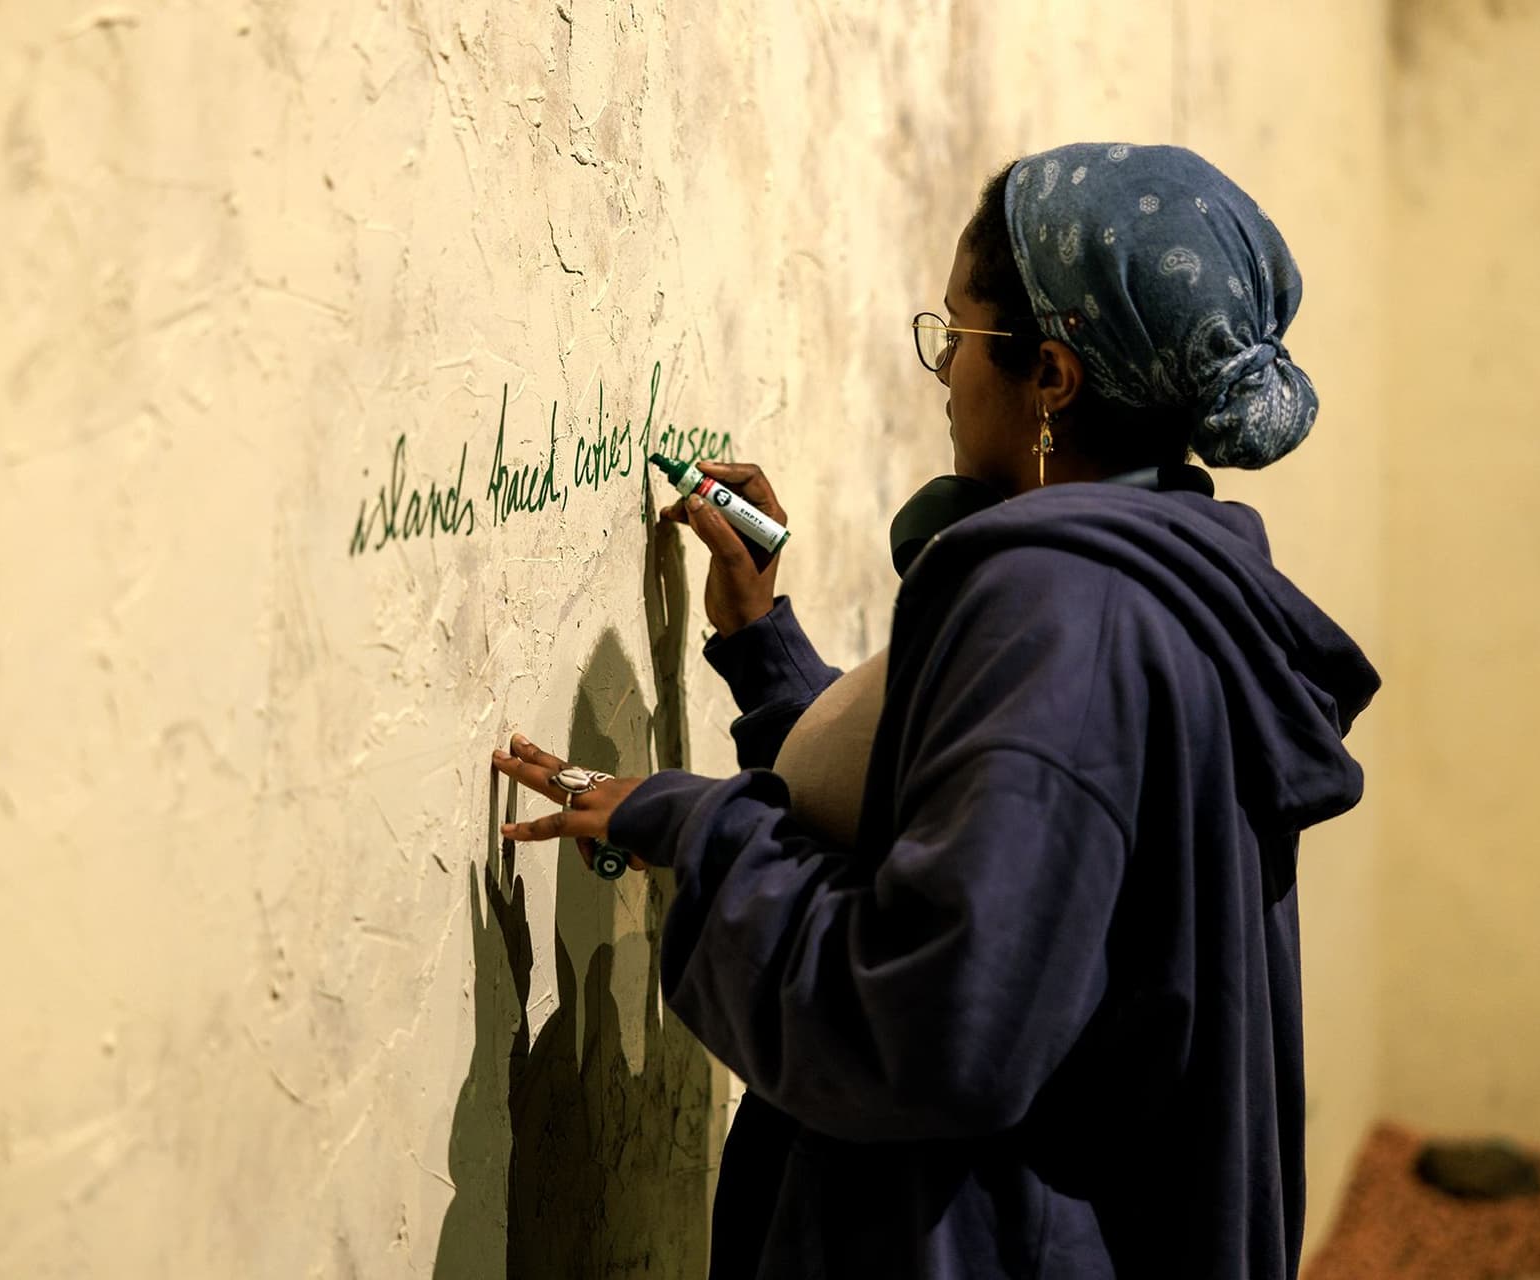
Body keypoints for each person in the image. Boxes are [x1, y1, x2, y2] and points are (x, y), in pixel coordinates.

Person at [492, 142, 1379, 1279]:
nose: (946, 370)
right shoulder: (1157, 582)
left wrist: (693, 823)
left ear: (1050, 375)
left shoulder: (1066, 614)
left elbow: (927, 1018)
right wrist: (764, 647)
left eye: (956, 333)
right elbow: (966, 818)